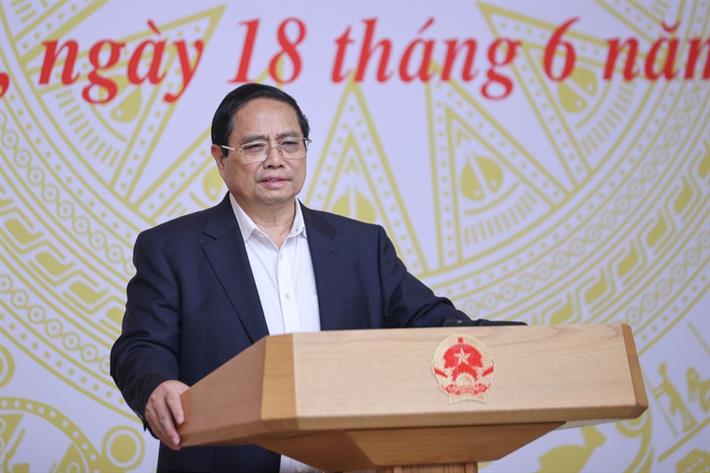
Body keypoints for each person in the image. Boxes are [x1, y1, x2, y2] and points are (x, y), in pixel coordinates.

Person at [110, 83, 522, 473]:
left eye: (290, 143)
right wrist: (155, 386)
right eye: (255, 146)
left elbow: (429, 322)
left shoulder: (362, 245)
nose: (276, 159)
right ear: (220, 158)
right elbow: (139, 347)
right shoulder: (172, 248)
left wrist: (516, 345)